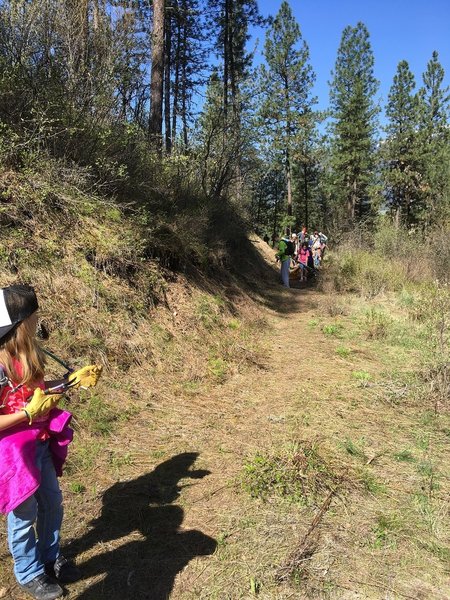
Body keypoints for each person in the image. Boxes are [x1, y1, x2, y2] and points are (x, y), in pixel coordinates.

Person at [0, 284, 102, 600]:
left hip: (40, 444)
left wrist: (71, 381)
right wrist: (27, 414)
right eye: (33, 315)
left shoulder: (29, 352)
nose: (37, 319)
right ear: (20, 323)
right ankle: (29, 573)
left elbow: (38, 394)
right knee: (23, 514)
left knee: (52, 504)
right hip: (14, 456)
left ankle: (49, 556)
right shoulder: (0, 365)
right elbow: (24, 409)